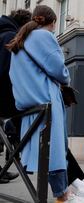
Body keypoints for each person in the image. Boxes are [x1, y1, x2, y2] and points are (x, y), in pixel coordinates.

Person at [6, 5, 84, 202]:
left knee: (44, 150)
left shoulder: (19, 40)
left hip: (28, 102)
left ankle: (59, 194)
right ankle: (63, 196)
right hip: (46, 99)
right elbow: (59, 69)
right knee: (55, 150)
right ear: (52, 23)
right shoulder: (43, 37)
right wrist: (66, 80)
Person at [0, 9, 31, 185]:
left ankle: (2, 172)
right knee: (31, 113)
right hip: (4, 96)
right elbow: (5, 71)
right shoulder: (10, 36)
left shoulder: (3, 32)